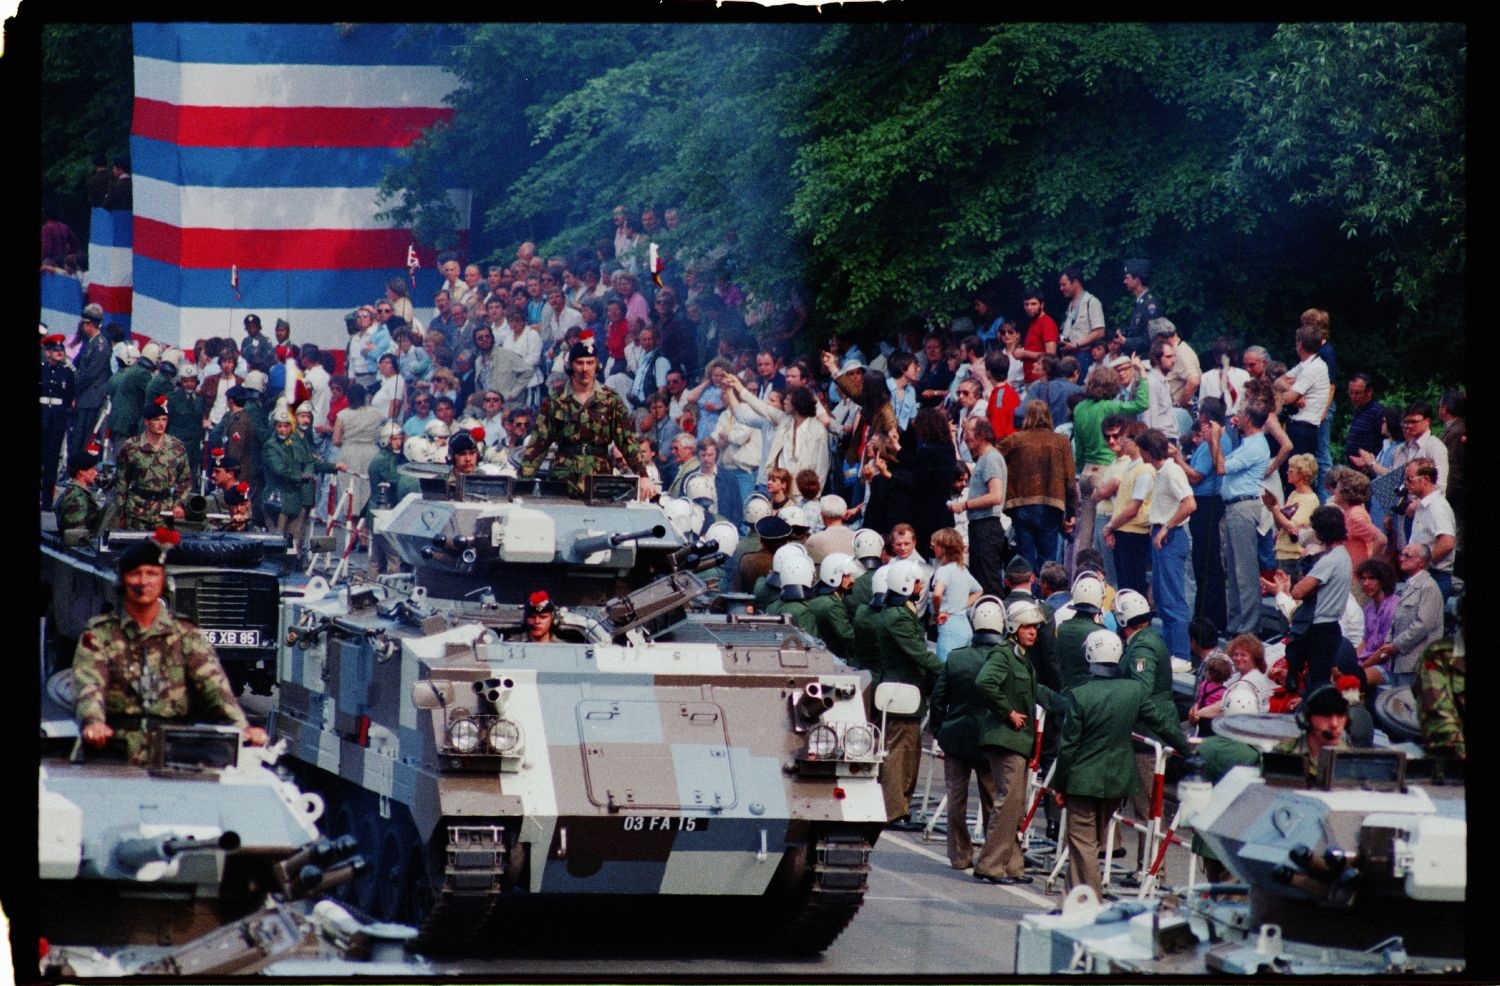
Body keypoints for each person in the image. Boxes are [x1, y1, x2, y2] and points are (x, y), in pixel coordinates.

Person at [73, 537, 268, 765]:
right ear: (122, 580)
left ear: (163, 579)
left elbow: (214, 686)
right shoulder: (99, 634)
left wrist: (242, 728)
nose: (144, 582)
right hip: (114, 748)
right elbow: (89, 684)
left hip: (174, 749)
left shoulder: (186, 634)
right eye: (135, 573)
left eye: (152, 573)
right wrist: (93, 721)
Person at [1053, 629, 1187, 900]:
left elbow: (1068, 747)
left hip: (1083, 779)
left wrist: (1060, 784)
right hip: (1117, 780)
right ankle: (1073, 896)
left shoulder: (1080, 694)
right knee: (1091, 842)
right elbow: (1161, 722)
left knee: (1083, 843)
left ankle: (1086, 900)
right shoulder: (1134, 691)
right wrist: (1186, 749)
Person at [518, 333, 657, 499]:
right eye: (579, 363)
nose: (585, 369)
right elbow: (538, 443)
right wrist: (523, 483)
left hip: (599, 477)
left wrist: (642, 475)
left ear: (597, 365)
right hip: (563, 477)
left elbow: (627, 440)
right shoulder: (556, 399)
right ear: (571, 365)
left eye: (590, 363)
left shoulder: (610, 399)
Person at [928, 596, 1006, 871]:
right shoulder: (1006, 660)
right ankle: (991, 855)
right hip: (991, 740)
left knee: (956, 800)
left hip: (957, 737)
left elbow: (938, 699)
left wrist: (938, 729)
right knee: (992, 801)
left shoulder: (957, 658)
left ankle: (960, 855)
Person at [875, 558, 943, 826]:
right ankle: (894, 809)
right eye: (917, 582)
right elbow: (918, 654)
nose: (920, 587)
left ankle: (900, 806)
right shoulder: (898, 617)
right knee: (899, 755)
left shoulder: (900, 612)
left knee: (909, 753)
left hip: (907, 692)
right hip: (901, 693)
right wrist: (948, 669)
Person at [1266, 506, 1352, 700]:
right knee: (1317, 679)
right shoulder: (1344, 557)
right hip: (1330, 627)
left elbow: (1298, 591)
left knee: (1316, 683)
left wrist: (1300, 585)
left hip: (1319, 628)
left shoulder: (1329, 561)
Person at [1211, 399, 1273, 636]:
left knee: (1245, 570)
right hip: (1234, 507)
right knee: (1235, 571)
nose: (1235, 418)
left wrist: (1216, 439)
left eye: (1239, 414)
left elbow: (1221, 468)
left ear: (1248, 419)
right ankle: (1236, 622)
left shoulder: (1255, 446)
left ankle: (1249, 626)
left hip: (1244, 506)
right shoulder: (1247, 442)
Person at [998, 400, 1077, 572]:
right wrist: (1071, 512)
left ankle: (1027, 594)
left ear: (1026, 417)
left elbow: (993, 456)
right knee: (1048, 559)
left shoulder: (1015, 440)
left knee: (1025, 558)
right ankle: (1047, 595)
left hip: (1021, 504)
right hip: (1051, 505)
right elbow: (1070, 480)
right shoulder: (1061, 441)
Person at [262, 406, 345, 549]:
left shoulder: (295, 443)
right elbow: (280, 469)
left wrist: (332, 466)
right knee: (275, 541)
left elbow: (309, 462)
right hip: (277, 501)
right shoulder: (271, 446)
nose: (283, 430)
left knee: (293, 542)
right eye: (280, 426)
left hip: (294, 500)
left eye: (286, 426)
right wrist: (302, 476)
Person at [1366, 543, 1444, 688]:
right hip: (1400, 664)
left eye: (1407, 556)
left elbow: (1423, 625)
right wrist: (1389, 644)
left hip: (1416, 664)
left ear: (1421, 562)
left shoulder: (1428, 587)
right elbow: (1396, 621)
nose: (1401, 558)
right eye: (1401, 554)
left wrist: (1395, 645)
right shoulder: (1408, 586)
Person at [949, 417, 1008, 596]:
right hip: (979, 526)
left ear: (981, 435)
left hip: (987, 527)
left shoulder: (991, 458)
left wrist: (964, 505)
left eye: (968, 433)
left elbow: (996, 495)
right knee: (980, 579)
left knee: (988, 581)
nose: (965, 438)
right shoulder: (983, 458)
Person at [115, 398, 193, 530]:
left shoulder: (176, 446)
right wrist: (120, 513)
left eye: (164, 419)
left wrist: (179, 504)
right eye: (156, 420)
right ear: (146, 421)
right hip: (137, 510)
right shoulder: (132, 446)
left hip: (165, 512)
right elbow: (122, 481)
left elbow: (185, 480)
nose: (161, 424)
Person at [1404, 457, 1456, 602]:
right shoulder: (1423, 505)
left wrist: (1422, 564)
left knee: (1426, 623)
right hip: (1424, 575)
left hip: (1434, 576)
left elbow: (1447, 542)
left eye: (1410, 479)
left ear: (1425, 479)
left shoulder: (1437, 507)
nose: (1406, 483)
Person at [1191, 633, 1274, 724]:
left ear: (1254, 657)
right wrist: (1196, 706)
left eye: (1243, 655)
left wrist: (1197, 713)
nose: (1238, 658)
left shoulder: (1252, 680)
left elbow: (1221, 707)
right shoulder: (1237, 676)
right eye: (1235, 654)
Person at [1271, 685, 1349, 778]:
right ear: (1306, 718)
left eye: (1340, 716)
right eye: (1326, 716)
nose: (1334, 724)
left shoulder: (1353, 761)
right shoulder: (1283, 755)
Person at [930, 528, 982, 662]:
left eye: (934, 546)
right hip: (964, 625)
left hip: (949, 627)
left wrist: (937, 612)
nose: (932, 548)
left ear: (942, 548)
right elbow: (979, 590)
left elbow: (937, 594)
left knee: (944, 668)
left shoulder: (943, 571)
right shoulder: (962, 569)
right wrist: (961, 604)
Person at [53, 445, 104, 535]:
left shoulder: (75, 491)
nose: (96, 473)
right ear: (82, 472)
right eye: (93, 469)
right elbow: (76, 535)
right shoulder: (77, 498)